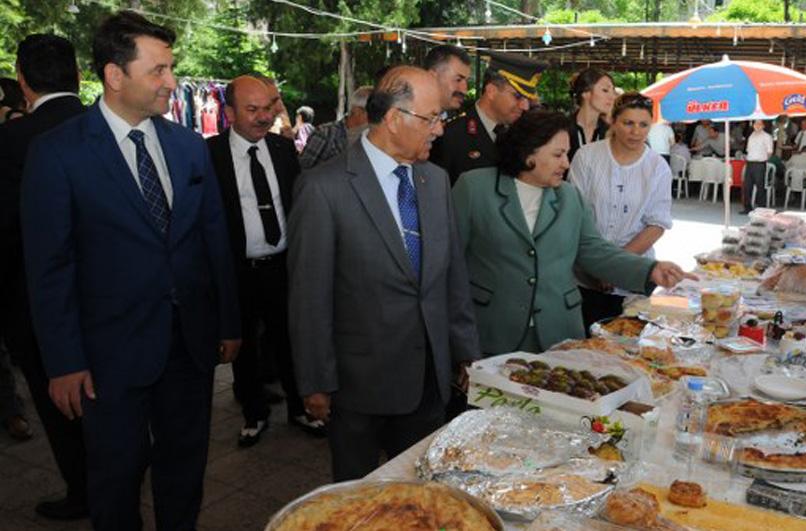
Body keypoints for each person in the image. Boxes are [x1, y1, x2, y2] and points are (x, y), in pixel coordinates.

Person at [20, 12, 241, 530]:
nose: (171, 82)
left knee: (184, 469)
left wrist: (228, 322)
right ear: (115, 76)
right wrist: (63, 361)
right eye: (158, 71)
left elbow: (213, 240)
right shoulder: (57, 153)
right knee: (115, 478)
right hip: (107, 356)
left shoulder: (188, 146)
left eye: (171, 69)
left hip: (187, 346)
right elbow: (49, 266)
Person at [287, 66, 480, 481]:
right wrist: (315, 382)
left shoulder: (435, 180)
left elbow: (452, 276)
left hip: (429, 382)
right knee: (358, 503)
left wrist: (465, 352)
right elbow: (309, 295)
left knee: (420, 495)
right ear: (394, 118)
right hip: (358, 388)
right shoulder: (324, 188)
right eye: (431, 119)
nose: (440, 130)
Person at [453, 109, 694, 354]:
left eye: (567, 154)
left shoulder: (568, 196)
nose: (566, 164)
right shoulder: (474, 188)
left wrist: (650, 269)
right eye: (558, 155)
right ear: (527, 153)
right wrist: (459, 344)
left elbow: (594, 250)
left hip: (558, 331)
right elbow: (450, 264)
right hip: (492, 330)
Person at [0, 33, 89, 521]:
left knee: (60, 409)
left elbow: (9, 230)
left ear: (22, 80)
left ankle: (83, 490)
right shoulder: (106, 126)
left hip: (34, 302)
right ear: (78, 75)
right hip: (105, 299)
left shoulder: (12, 140)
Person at [207, 76, 323, 447]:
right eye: (251, 110)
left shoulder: (282, 149)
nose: (262, 118)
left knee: (290, 339)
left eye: (266, 109)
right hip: (239, 269)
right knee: (245, 347)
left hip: (283, 265)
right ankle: (254, 414)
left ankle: (299, 407)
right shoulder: (210, 156)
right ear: (228, 113)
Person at [568, 93, 674, 328]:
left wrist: (615, 266)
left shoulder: (658, 167)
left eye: (643, 124)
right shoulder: (586, 157)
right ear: (613, 122)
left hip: (633, 277)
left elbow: (656, 224)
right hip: (585, 276)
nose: (635, 131)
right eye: (628, 123)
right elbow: (573, 215)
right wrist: (599, 266)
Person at [430, 51, 547, 185]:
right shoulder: (451, 136)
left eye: (527, 99)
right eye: (518, 97)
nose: (525, 106)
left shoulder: (521, 135)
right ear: (491, 91)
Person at [298, 85, 372, 169]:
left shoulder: (374, 139)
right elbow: (303, 172)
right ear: (357, 111)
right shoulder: (326, 134)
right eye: (374, 112)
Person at [567, 67, 614, 161]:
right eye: (605, 90)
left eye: (613, 91)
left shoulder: (611, 133)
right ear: (585, 93)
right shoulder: (562, 129)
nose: (612, 97)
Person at [422, 44, 471, 115]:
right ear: (432, 78)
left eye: (467, 81)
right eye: (458, 80)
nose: (464, 91)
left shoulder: (450, 119)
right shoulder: (407, 121)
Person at [742, 119, 773, 214]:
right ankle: (747, 208)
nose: (757, 125)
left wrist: (763, 160)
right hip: (750, 163)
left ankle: (761, 209)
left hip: (759, 164)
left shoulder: (767, 137)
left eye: (759, 124)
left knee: (760, 187)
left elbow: (769, 152)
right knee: (747, 187)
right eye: (755, 123)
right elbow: (748, 150)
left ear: (763, 125)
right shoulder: (751, 135)